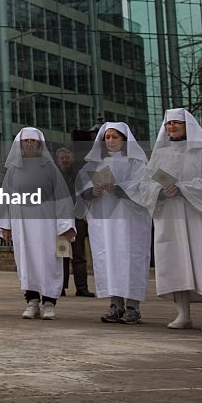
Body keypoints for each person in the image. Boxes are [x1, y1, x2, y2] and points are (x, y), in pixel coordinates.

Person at [139, 109, 202, 331]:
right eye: (169, 124)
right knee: (176, 263)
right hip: (170, 218)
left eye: (177, 123)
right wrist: (160, 191)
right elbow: (145, 184)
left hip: (198, 217)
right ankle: (183, 314)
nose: (172, 127)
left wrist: (183, 189)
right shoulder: (159, 155)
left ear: (188, 126)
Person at [0, 127, 75, 321]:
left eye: (33, 141)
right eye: (25, 141)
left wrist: (66, 226)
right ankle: (31, 301)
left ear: (39, 144)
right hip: (21, 222)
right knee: (26, 260)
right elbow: (5, 197)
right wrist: (5, 224)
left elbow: (62, 198)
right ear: (20, 144)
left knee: (49, 260)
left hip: (47, 222)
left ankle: (49, 302)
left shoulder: (49, 167)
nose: (29, 144)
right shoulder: (14, 169)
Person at [75, 123, 151, 325]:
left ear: (124, 140)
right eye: (107, 137)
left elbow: (143, 187)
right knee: (108, 259)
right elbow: (80, 189)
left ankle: (133, 307)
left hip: (129, 221)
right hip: (104, 223)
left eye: (115, 137)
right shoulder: (93, 164)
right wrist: (93, 191)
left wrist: (118, 188)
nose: (110, 141)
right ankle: (115, 305)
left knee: (131, 259)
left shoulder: (137, 162)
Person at [55, 147, 93, 297]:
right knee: (62, 253)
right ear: (58, 161)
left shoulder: (80, 175)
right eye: (62, 158)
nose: (64, 160)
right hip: (61, 219)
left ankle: (82, 288)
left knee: (79, 254)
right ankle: (60, 287)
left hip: (77, 219)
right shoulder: (55, 176)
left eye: (67, 157)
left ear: (72, 158)